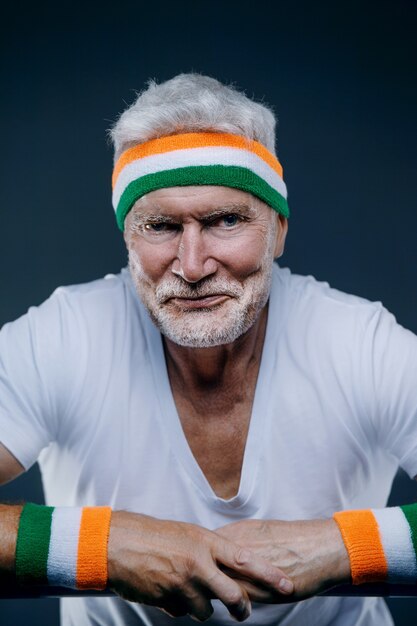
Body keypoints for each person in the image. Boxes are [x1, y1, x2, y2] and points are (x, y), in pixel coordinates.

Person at [0, 73, 416, 626]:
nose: (193, 265)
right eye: (161, 225)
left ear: (279, 230)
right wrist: (101, 546)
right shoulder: (65, 334)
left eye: (225, 221)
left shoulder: (360, 343)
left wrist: (343, 546)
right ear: (128, 237)